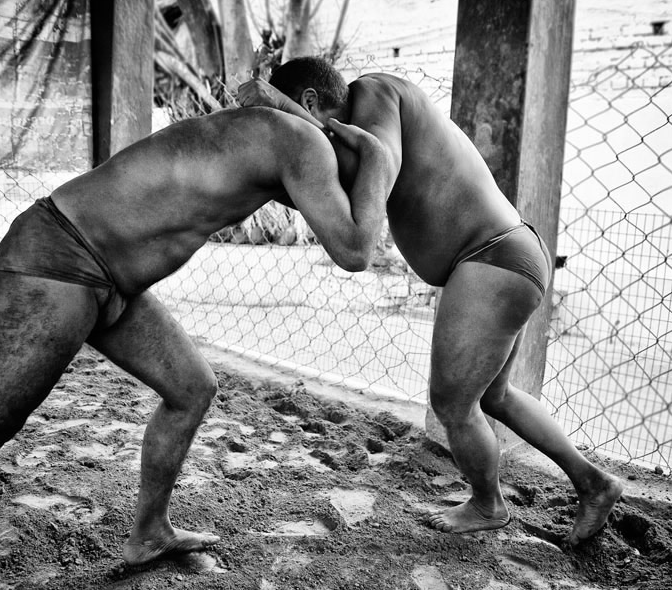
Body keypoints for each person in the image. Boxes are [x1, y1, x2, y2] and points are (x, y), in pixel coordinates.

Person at [0, 106, 391, 590]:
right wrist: (380, 162)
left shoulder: (260, 133)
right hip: (59, 257)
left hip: (113, 279)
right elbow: (356, 248)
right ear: (321, 108)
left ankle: (150, 533)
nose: (352, 155)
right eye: (353, 135)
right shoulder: (302, 138)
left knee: (192, 386)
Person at [238, 58, 624, 545]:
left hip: (491, 258)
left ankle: (488, 504)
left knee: (452, 402)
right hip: (505, 253)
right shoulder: (359, 128)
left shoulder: (376, 93)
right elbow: (338, 184)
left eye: (296, 119)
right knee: (494, 397)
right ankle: (594, 482)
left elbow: (380, 165)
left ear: (310, 102)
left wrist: (276, 105)